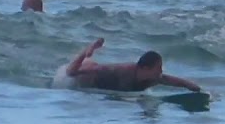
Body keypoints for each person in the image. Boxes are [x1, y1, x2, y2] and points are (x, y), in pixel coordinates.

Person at [54, 38, 202, 92]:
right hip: (74, 80)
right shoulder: (117, 71)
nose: (161, 72)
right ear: (145, 68)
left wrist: (191, 86)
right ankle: (86, 51)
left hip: (98, 86)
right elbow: (71, 72)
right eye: (158, 68)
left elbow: (172, 80)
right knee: (79, 69)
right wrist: (82, 56)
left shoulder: (152, 77)